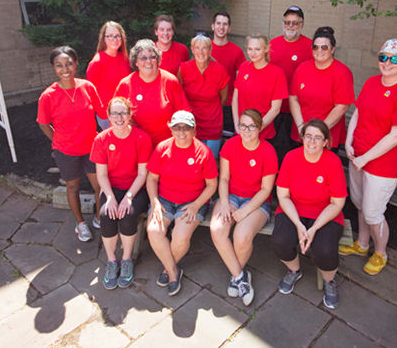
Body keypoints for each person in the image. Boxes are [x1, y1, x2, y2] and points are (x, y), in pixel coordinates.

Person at [339, 39, 397, 275]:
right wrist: (348, 141)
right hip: (358, 156)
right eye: (383, 57)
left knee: (374, 212)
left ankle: (380, 253)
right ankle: (362, 244)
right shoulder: (372, 83)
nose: (388, 62)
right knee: (360, 204)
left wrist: (365, 159)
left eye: (395, 58)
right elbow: (357, 114)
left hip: (382, 164)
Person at [271, 119, 347, 309]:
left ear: (325, 142)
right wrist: (298, 224)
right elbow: (283, 195)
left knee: (325, 249)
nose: (312, 142)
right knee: (280, 240)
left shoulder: (333, 162)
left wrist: (313, 229)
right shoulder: (291, 157)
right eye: (308, 136)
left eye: (318, 138)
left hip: (325, 213)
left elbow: (337, 203)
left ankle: (329, 281)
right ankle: (294, 270)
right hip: (293, 209)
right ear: (302, 138)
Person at [210, 109, 278, 306]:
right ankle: (240, 277)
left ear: (259, 128)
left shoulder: (268, 151)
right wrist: (223, 204)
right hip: (230, 197)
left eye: (251, 126)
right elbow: (223, 178)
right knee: (217, 229)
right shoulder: (231, 145)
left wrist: (245, 210)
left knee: (241, 235)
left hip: (256, 201)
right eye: (242, 126)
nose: (246, 130)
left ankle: (235, 275)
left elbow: (266, 190)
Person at [146, 111, 218, 296]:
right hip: (164, 199)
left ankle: (167, 271)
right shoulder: (163, 148)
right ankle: (173, 272)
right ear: (171, 129)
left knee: (180, 236)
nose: (181, 132)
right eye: (177, 127)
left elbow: (212, 185)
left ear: (194, 130)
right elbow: (152, 178)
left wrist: (195, 205)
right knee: (154, 231)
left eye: (186, 128)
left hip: (193, 201)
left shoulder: (204, 152)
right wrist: (154, 201)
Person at [37, 46, 103, 242]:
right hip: (66, 151)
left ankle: (100, 218)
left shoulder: (87, 87)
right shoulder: (48, 96)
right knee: (72, 187)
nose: (64, 68)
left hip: (92, 148)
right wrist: (58, 140)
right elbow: (43, 124)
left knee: (99, 186)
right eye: (59, 65)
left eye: (68, 64)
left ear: (76, 64)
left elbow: (101, 113)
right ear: (54, 68)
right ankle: (81, 224)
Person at [90, 97, 152, 290]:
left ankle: (126, 260)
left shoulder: (141, 138)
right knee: (106, 215)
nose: (119, 117)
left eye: (123, 113)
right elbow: (101, 174)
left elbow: (143, 174)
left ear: (130, 114)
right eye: (115, 113)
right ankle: (111, 261)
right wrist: (109, 198)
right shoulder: (101, 140)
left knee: (128, 215)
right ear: (108, 116)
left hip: (135, 188)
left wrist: (128, 198)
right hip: (111, 188)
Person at [114, 39, 191, 147]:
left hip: (166, 146)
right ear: (136, 62)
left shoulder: (170, 81)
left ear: (158, 59)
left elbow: (184, 115)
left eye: (152, 57)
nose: (148, 61)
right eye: (143, 58)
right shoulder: (125, 85)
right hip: (136, 146)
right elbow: (115, 118)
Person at [289, 26, 354, 149]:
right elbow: (293, 98)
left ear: (333, 49)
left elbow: (342, 106)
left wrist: (317, 132)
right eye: (315, 47)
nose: (319, 50)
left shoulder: (342, 72)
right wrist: (301, 127)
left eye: (324, 47)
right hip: (301, 132)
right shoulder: (302, 68)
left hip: (326, 135)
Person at [269, 6, 313, 157]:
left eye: (295, 22)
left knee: (292, 148)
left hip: (297, 109)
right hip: (274, 106)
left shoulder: (310, 46)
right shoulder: (272, 44)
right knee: (272, 146)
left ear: (302, 24)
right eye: (287, 22)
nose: (290, 26)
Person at [178, 34, 229, 158]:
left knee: (210, 161)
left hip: (212, 124)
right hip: (190, 125)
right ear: (192, 49)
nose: (201, 52)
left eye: (204, 48)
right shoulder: (184, 68)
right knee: (191, 162)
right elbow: (178, 94)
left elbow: (223, 99)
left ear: (210, 50)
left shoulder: (220, 71)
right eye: (197, 48)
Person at [232, 34, 287, 142]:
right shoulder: (243, 67)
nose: (253, 53)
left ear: (266, 49)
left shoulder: (277, 73)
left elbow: (275, 109)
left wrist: (256, 129)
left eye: (257, 49)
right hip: (241, 132)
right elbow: (235, 99)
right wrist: (237, 124)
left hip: (264, 134)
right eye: (250, 49)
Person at [86, 21, 132, 130]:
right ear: (103, 39)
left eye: (117, 36)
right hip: (108, 116)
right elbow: (91, 93)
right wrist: (104, 113)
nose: (114, 39)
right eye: (110, 36)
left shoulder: (124, 57)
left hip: (126, 112)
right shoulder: (97, 62)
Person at [210, 11, 246, 133]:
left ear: (229, 28)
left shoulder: (237, 52)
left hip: (228, 106)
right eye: (218, 23)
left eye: (225, 24)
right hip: (207, 105)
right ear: (213, 26)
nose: (221, 27)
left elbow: (241, 83)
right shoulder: (204, 48)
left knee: (226, 141)